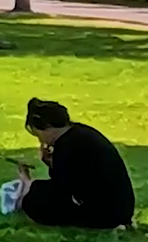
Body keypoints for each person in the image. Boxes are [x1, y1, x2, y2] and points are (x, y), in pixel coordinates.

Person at [15, 98, 135, 229]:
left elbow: (61, 189)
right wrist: (50, 163)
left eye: (39, 135)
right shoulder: (80, 133)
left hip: (104, 215)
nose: (41, 141)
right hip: (120, 208)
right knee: (39, 190)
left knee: (34, 199)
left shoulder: (66, 145)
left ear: (48, 128)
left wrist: (28, 185)